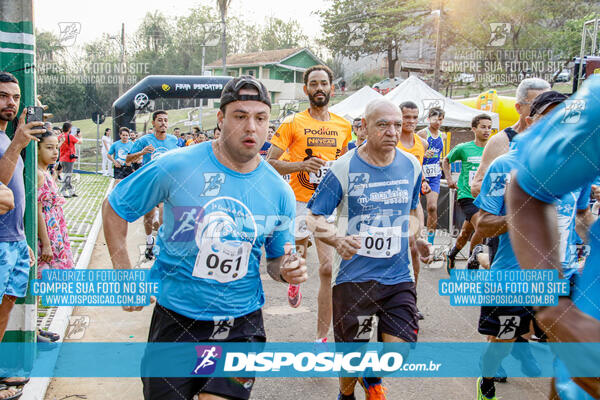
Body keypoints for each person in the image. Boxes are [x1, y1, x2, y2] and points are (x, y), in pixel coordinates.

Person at [103, 75, 307, 400]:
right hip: (176, 318)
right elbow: (115, 208)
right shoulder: (177, 165)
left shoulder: (278, 189)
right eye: (240, 116)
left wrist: (286, 270)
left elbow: (275, 260)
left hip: (240, 325)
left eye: (260, 118)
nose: (251, 127)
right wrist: (125, 275)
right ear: (222, 119)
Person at [307, 99, 429, 400]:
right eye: (383, 124)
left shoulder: (411, 165)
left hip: (397, 276)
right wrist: (336, 239)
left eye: (397, 125)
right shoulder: (343, 167)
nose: (392, 131)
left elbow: (414, 209)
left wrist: (419, 234)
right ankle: (346, 394)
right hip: (354, 278)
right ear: (364, 126)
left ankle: (371, 374)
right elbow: (313, 216)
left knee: (399, 353)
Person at [508, 77, 600, 400]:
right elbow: (526, 187)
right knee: (505, 334)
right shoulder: (596, 104)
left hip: (572, 265)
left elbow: (581, 213)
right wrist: (553, 306)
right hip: (515, 270)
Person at [266, 64, 352, 342]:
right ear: (306, 90)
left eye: (323, 83)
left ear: (331, 88)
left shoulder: (344, 125)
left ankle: (321, 338)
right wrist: (301, 165)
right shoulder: (293, 123)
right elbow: (270, 164)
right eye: (313, 84)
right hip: (298, 203)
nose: (319, 88)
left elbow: (346, 164)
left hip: (326, 206)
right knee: (298, 265)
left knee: (328, 269)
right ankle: (294, 284)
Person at [0, 71, 42, 400]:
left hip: (13, 240)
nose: (10, 103)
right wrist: (18, 143)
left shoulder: (8, 137)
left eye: (15, 97)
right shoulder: (10, 140)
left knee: (8, 302)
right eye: (3, 96)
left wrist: (22, 238)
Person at [470, 78, 550, 198]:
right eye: (537, 105)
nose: (545, 110)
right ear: (518, 107)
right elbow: (477, 187)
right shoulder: (502, 141)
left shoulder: (556, 139)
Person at [442, 113, 491, 273]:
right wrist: (449, 179)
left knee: (465, 234)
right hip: (467, 195)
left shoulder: (493, 148)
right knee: (482, 228)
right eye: (483, 127)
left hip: (486, 196)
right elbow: (446, 161)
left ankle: (451, 254)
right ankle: (473, 264)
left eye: (489, 127)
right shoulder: (464, 148)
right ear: (474, 128)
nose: (487, 130)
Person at [126, 110, 178, 260]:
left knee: (163, 218)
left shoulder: (173, 140)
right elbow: (128, 159)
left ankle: (161, 247)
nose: (163, 123)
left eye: (166, 120)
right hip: (149, 183)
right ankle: (149, 242)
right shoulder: (144, 140)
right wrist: (141, 153)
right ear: (154, 123)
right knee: (148, 218)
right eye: (160, 120)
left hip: (166, 184)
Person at [396, 101, 430, 319]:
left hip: (412, 204)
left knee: (413, 250)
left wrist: (424, 181)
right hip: (390, 203)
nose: (410, 121)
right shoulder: (392, 140)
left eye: (414, 117)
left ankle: (411, 301)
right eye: (406, 117)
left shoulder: (422, 143)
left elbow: (419, 171)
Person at [37, 128, 74, 278]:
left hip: (55, 228)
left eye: (56, 148)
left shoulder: (46, 172)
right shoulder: (39, 174)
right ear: (38, 149)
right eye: (49, 148)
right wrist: (46, 244)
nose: (55, 152)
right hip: (46, 231)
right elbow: (38, 211)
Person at [58, 122, 80, 198]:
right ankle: (63, 191)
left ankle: (71, 191)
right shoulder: (70, 136)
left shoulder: (60, 136)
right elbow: (80, 142)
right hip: (68, 159)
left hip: (62, 158)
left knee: (68, 175)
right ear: (69, 128)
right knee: (67, 176)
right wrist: (79, 136)